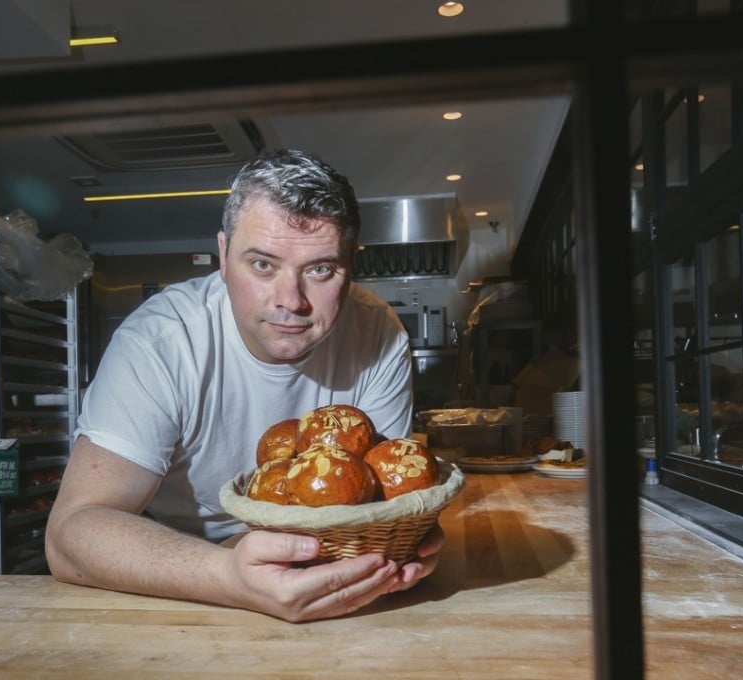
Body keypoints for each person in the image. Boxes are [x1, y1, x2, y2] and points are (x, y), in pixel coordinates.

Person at [45, 148, 444, 622]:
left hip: (326, 565)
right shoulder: (161, 342)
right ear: (222, 255)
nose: (290, 301)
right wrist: (228, 575)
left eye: (320, 269)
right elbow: (70, 534)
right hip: (179, 569)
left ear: (350, 265)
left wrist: (402, 540)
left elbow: (381, 503)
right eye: (262, 265)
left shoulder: (378, 334)